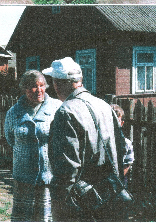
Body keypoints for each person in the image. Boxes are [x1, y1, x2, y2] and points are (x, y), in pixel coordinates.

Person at [43, 57, 127, 222]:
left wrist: (60, 205)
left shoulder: (65, 112)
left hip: (80, 201)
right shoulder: (104, 105)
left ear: (58, 83)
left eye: (54, 82)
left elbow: (66, 167)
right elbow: (120, 147)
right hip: (107, 193)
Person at [4, 70, 62, 222]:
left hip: (47, 174)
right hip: (23, 175)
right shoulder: (14, 112)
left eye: (42, 85)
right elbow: (10, 139)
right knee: (23, 217)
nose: (39, 90)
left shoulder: (57, 108)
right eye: (33, 87)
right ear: (24, 89)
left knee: (44, 217)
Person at [110, 104, 134, 188]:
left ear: (122, 123)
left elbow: (127, 164)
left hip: (119, 181)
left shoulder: (126, 143)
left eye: (117, 121)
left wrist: (117, 179)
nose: (113, 124)